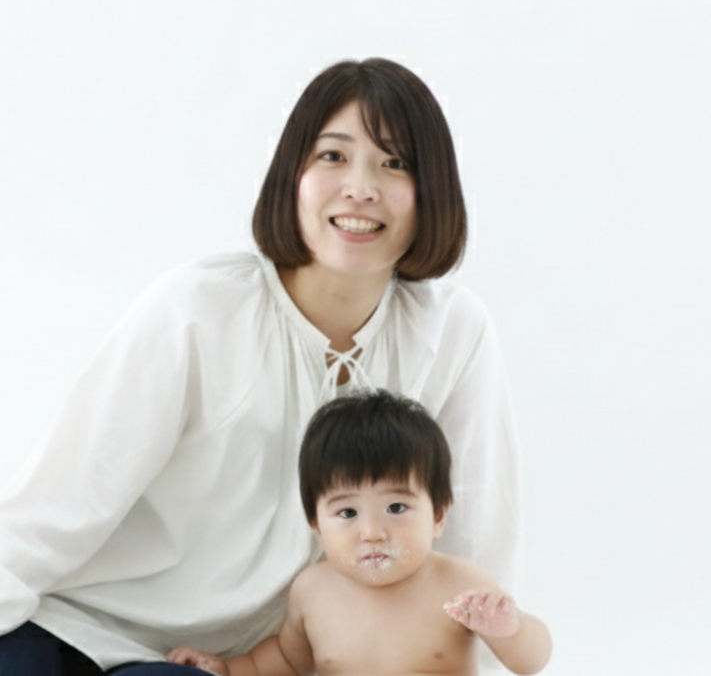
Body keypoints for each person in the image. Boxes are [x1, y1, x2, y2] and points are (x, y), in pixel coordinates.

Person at [0, 58, 521, 674]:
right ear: (292, 174)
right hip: (77, 628)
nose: (361, 187)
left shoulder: (453, 331)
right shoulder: (197, 309)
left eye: (395, 162)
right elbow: (62, 500)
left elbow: (471, 549)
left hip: (224, 665)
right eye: (333, 156)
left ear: (432, 188)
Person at [167, 390, 551, 676]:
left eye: (396, 508)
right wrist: (225, 668)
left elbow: (531, 661)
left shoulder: (458, 583)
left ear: (437, 514)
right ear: (317, 525)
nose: (372, 532)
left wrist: (510, 630)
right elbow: (286, 660)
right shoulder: (312, 591)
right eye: (347, 512)